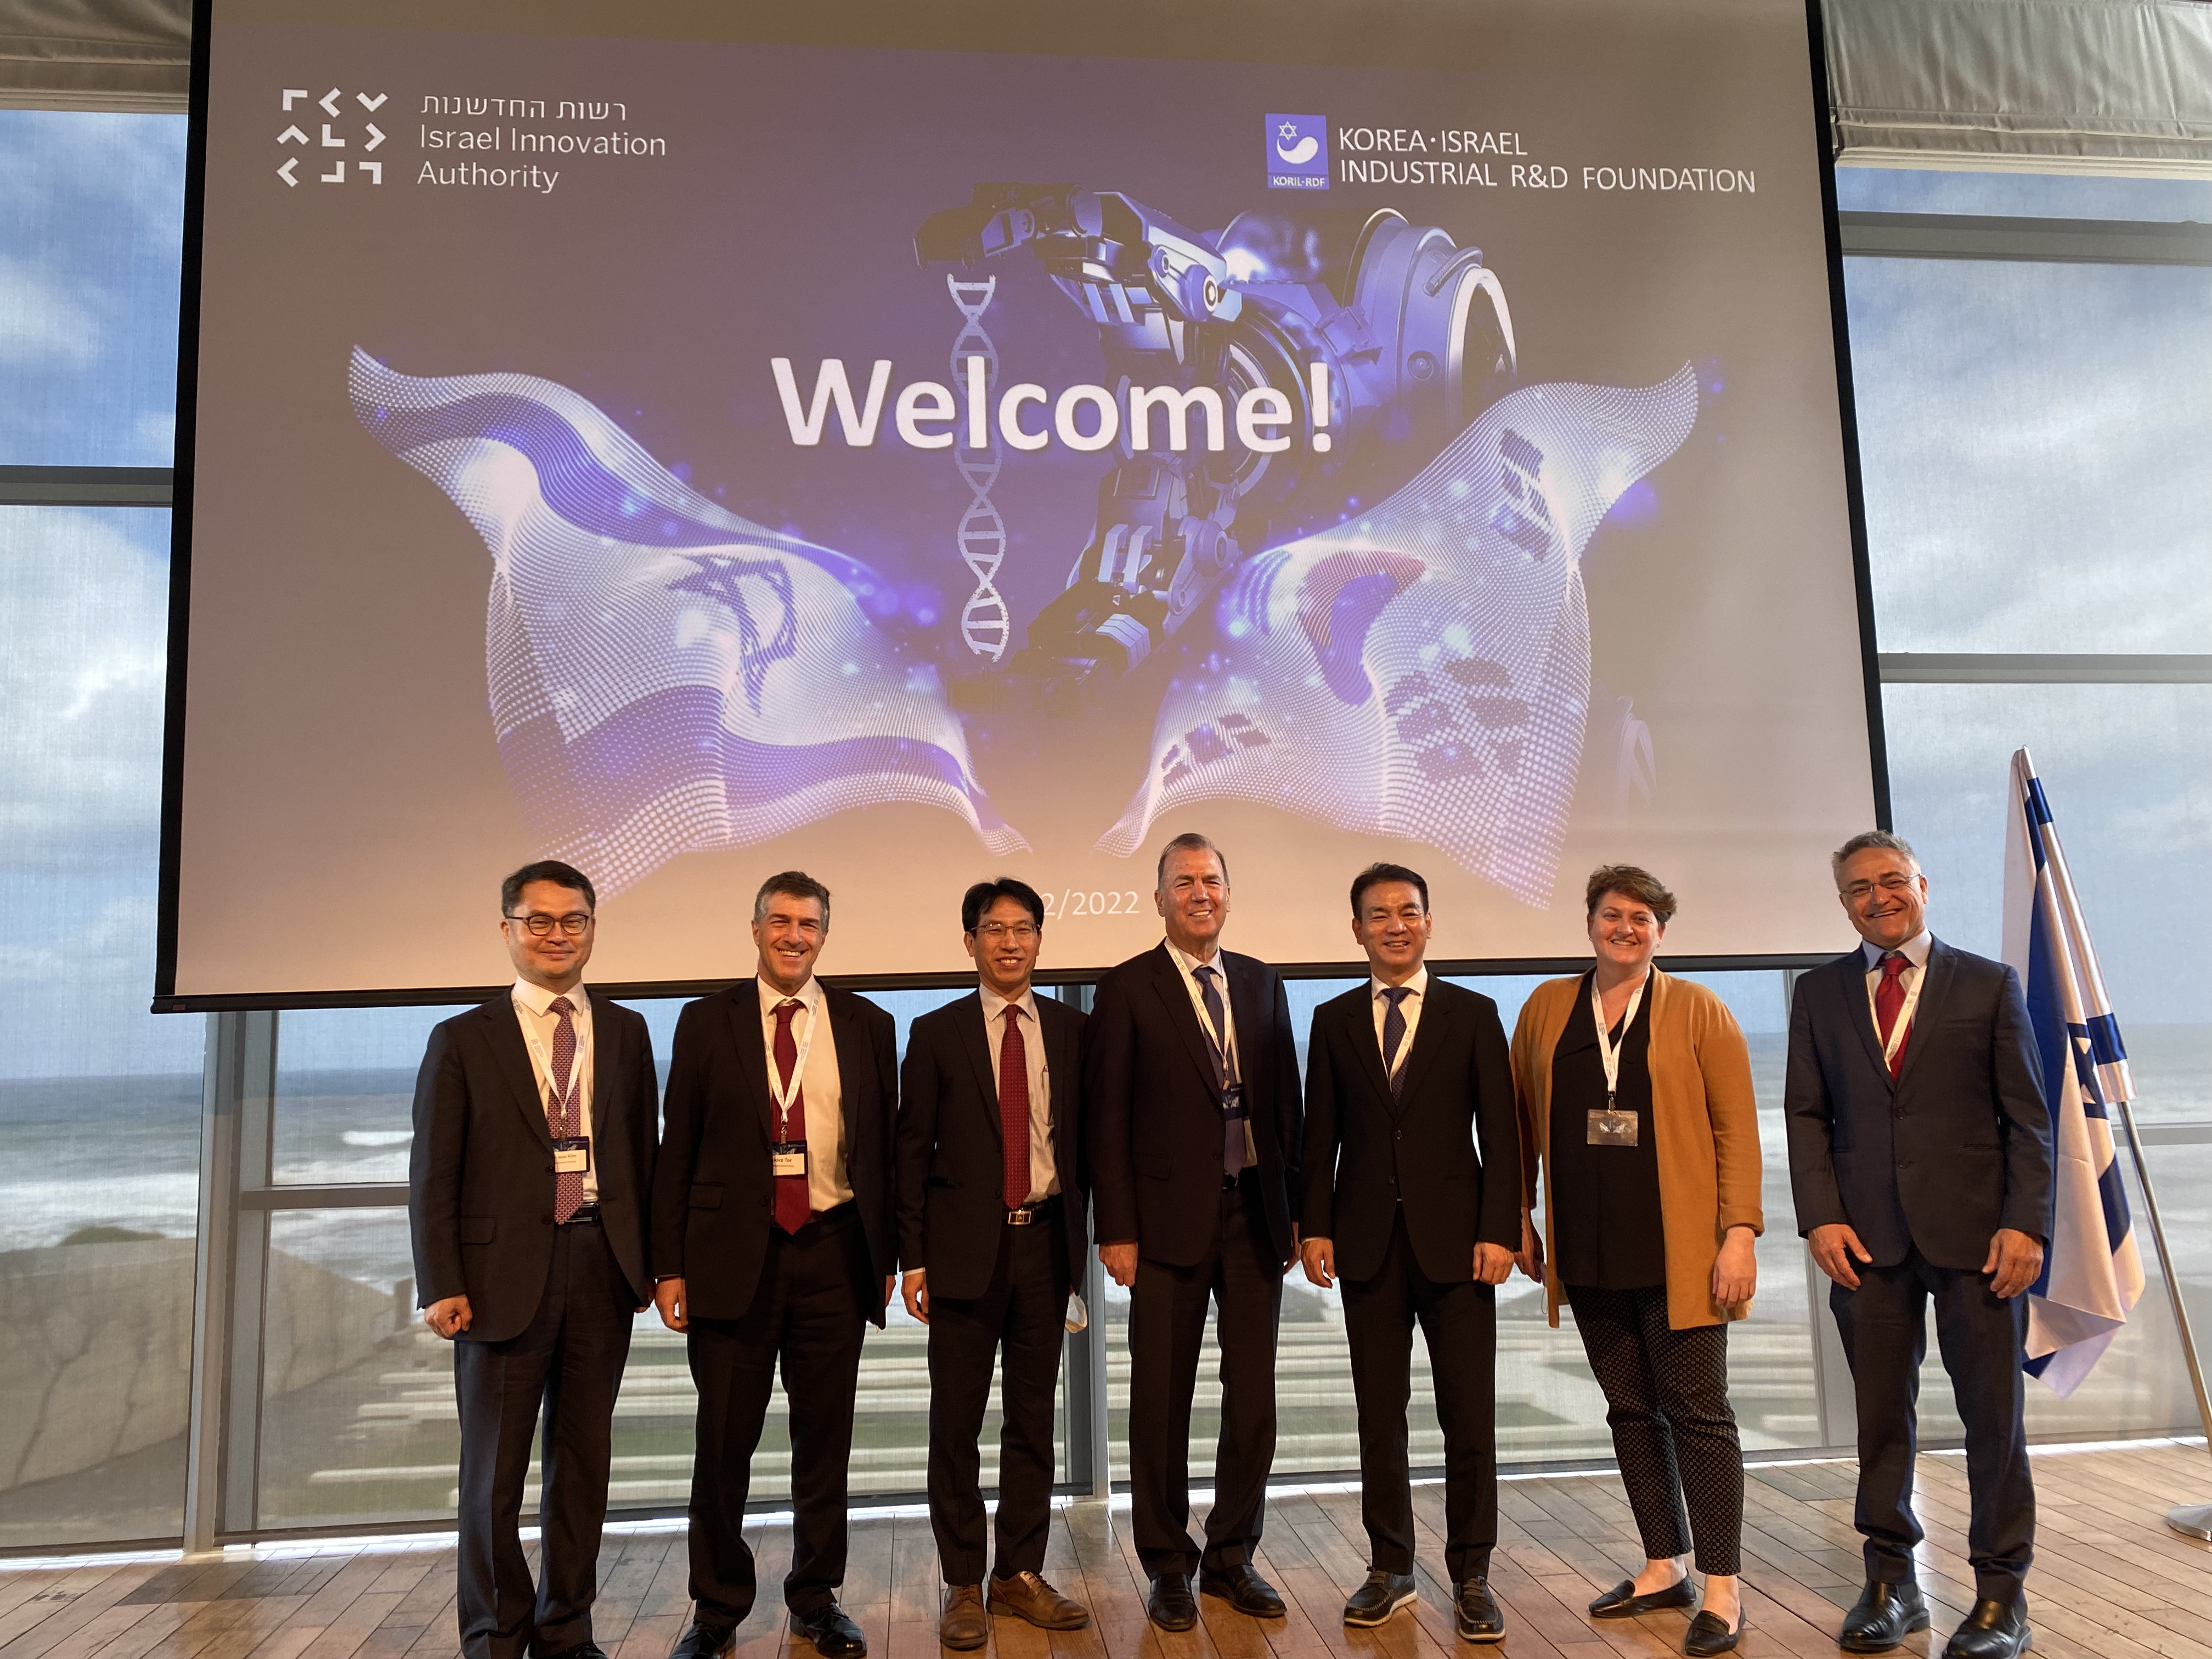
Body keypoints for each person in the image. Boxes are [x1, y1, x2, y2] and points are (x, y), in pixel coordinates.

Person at [1784, 831, 2051, 1659]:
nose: (1879, 898)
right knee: (1880, 1421)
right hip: (1865, 1243)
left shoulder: (1990, 983)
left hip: (1981, 1240)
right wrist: (1821, 1217)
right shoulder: (1819, 993)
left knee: (1993, 1422)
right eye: (1860, 889)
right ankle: (1891, 1584)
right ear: (1844, 904)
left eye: (1892, 881)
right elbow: (1807, 1115)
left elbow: (2029, 1118)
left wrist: (2027, 1223)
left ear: (1923, 886)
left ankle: (2002, 1596)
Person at [409, 860, 659, 1659]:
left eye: (573, 920)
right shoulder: (462, 1039)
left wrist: (652, 1265)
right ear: (508, 930)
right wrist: (441, 1281)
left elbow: (642, 1157)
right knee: (493, 1474)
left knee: (582, 1466)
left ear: (592, 928)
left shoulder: (626, 1030)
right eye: (539, 921)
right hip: (497, 1280)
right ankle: (493, 1633)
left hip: (603, 1265)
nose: (558, 935)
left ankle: (565, 1628)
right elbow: (433, 1171)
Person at [1510, 866, 1761, 1659]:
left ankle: (1722, 1587)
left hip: (1681, 1249)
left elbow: (1736, 1130)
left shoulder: (1698, 1008)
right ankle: (1663, 1565)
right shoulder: (1547, 1007)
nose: (1625, 928)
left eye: (1642, 918)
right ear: (1589, 923)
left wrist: (1740, 1233)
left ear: (1661, 931)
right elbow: (1519, 1123)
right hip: (1587, 1248)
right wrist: (1519, 1213)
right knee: (1628, 1410)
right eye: (1612, 914)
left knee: (1699, 1411)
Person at [651, 872, 899, 1659]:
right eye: (782, 922)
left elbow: (883, 1151)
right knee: (724, 1446)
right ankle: (717, 1609)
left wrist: (889, 1255)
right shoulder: (705, 1021)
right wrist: (668, 1266)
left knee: (824, 1444)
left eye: (810, 924)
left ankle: (816, 1599)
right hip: (732, 1262)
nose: (796, 936)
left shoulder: (868, 1023)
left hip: (835, 1252)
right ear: (756, 929)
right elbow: (678, 1148)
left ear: (825, 934)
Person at [1087, 832, 1304, 1631]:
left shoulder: (1262, 981)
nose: (1200, 894)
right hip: (1163, 1227)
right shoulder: (1126, 988)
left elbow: (1286, 1109)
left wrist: (1296, 1213)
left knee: (1253, 1400)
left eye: (1212, 880)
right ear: (1160, 900)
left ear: (1229, 894)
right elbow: (1106, 1120)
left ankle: (1232, 1555)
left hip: (1254, 1216)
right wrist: (1116, 1228)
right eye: (1184, 882)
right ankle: (1169, 1563)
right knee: (1161, 1401)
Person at [1299, 864, 1520, 1643]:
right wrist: (1314, 1226)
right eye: (1379, 914)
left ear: (1429, 922)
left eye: (1409, 912)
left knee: (1470, 1416)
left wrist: (1501, 1229)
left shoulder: (1473, 1014)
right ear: (1357, 929)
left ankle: (1472, 1574)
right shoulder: (1332, 1020)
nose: (1395, 925)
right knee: (1378, 1415)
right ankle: (1391, 1567)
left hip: (1461, 1247)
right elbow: (1319, 1136)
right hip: (1365, 1246)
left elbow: (1502, 1133)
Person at [896, 878, 1091, 1649]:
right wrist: (913, 1258)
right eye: (994, 929)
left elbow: (1089, 1146)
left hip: (1045, 1244)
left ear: (1040, 939)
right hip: (962, 1254)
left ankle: (1017, 1574)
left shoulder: (1074, 1032)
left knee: (1032, 1422)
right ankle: (962, 1581)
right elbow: (911, 1154)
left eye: (1023, 929)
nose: (1010, 942)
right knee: (957, 1423)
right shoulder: (936, 1032)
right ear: (970, 941)